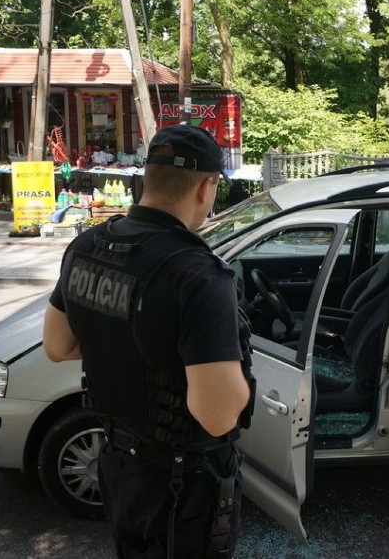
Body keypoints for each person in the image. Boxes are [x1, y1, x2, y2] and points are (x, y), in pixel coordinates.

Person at [42, 124, 254, 558]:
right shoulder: (198, 274)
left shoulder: (86, 246)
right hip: (183, 488)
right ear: (206, 186)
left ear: (147, 177)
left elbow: (58, 346)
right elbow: (217, 417)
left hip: (120, 466)